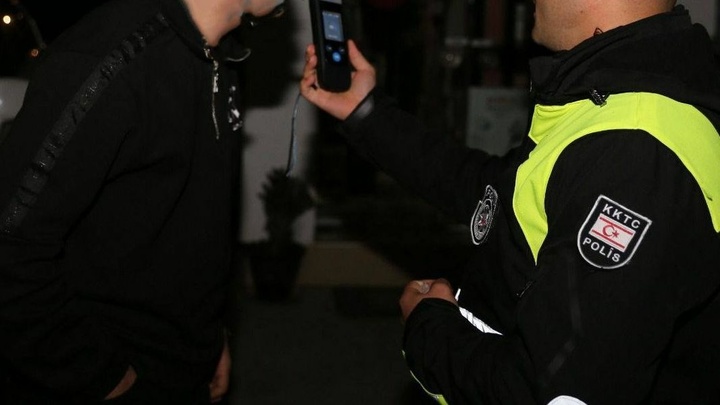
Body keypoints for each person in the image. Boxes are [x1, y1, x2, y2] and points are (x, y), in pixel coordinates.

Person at [301, 0, 720, 403]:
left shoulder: (633, 156)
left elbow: (546, 394)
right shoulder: (628, 93)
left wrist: (428, 331)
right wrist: (367, 114)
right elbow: (497, 195)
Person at [0, 0, 285, 403]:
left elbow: (192, 219)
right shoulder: (105, 59)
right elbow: (9, 248)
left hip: (184, 358)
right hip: (116, 370)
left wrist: (209, 334)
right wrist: (104, 378)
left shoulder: (220, 51)